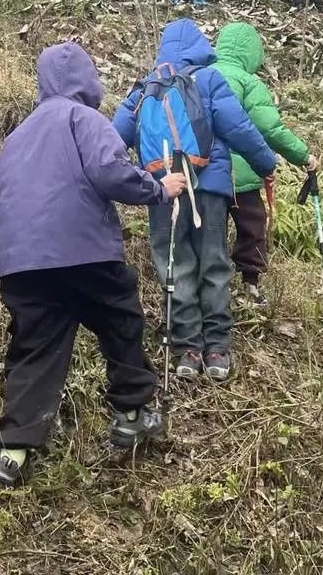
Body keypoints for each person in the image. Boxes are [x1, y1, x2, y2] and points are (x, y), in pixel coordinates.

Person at [0, 42, 187, 487]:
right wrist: (158, 188)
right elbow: (109, 172)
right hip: (83, 251)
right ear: (85, 80)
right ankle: (132, 411)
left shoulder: (17, 136)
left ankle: (12, 454)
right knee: (120, 319)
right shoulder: (83, 119)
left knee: (35, 348)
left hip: (22, 264)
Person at [113, 19, 276, 382]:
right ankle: (217, 348)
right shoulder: (209, 79)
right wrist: (266, 163)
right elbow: (239, 128)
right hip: (209, 188)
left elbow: (113, 139)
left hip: (163, 188)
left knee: (174, 264)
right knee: (213, 262)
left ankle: (187, 348)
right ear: (202, 46)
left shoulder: (146, 86)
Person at [213, 22, 318, 307]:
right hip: (244, 175)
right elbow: (270, 130)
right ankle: (250, 286)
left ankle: (213, 289)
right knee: (252, 226)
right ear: (253, 53)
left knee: (211, 230)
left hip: (204, 173)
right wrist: (303, 155)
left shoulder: (200, 75)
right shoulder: (249, 83)